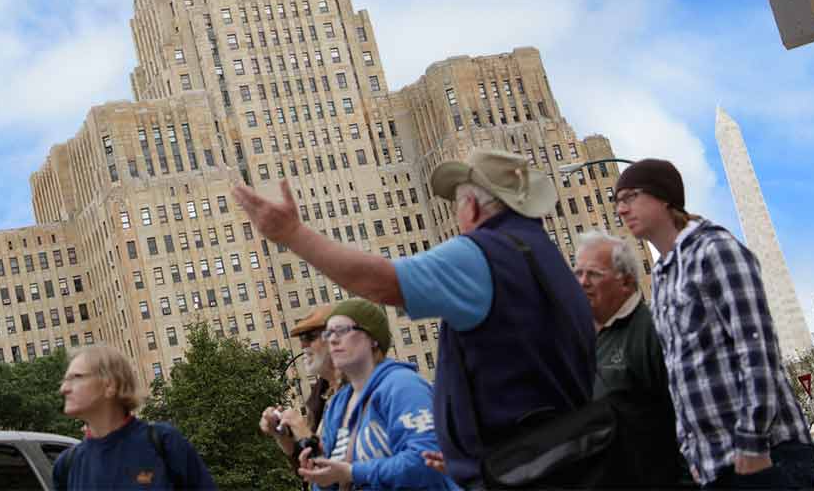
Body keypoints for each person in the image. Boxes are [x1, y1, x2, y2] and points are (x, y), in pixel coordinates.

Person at [235, 149, 594, 488]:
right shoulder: (550, 264)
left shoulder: (483, 254)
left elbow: (378, 283)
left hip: (519, 471)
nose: (329, 341)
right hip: (565, 461)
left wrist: (292, 234)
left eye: (339, 331)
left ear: (469, 205)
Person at [615, 158, 814, 490]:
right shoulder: (664, 276)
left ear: (664, 197)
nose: (622, 210)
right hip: (713, 467)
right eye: (618, 201)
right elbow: (679, 374)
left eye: (630, 197)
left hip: (765, 457)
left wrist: (752, 443)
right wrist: (692, 455)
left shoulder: (715, 249)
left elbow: (757, 348)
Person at [296, 299, 456, 490]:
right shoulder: (337, 404)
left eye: (343, 331)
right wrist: (320, 475)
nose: (332, 339)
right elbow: (333, 482)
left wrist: (352, 472)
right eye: (328, 333)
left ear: (373, 339)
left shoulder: (403, 386)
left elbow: (427, 462)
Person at [575, 230, 686, 487]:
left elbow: (687, 419)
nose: (582, 282)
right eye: (578, 273)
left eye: (593, 274)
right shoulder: (580, 340)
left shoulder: (653, 333)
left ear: (626, 283)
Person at [52, 343, 217, 490]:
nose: (64, 389)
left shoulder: (164, 443)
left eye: (77, 377)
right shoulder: (66, 466)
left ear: (110, 384)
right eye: (64, 380)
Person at [260, 305, 341, 475]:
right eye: (301, 338)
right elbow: (310, 475)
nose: (303, 344)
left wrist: (303, 433)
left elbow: (352, 468)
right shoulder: (321, 394)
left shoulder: (364, 392)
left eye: (310, 336)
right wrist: (285, 438)